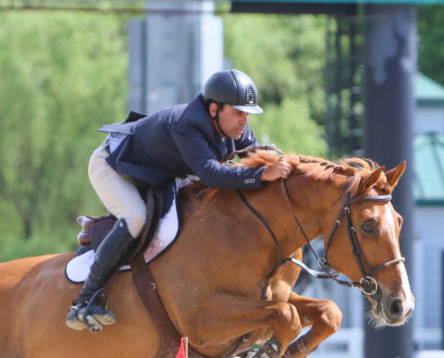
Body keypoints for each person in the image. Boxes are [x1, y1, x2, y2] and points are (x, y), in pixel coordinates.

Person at [66, 68, 293, 332]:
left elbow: (249, 159)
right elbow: (212, 175)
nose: (244, 122)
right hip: (113, 166)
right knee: (136, 216)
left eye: (247, 114)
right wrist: (262, 174)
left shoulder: (235, 130)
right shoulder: (188, 125)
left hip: (154, 171)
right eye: (238, 112)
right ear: (213, 110)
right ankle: (84, 302)